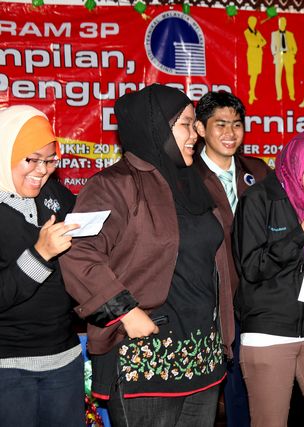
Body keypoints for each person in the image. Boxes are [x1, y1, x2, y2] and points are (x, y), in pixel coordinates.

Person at [60, 84, 227, 426]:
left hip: (202, 355)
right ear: (155, 127)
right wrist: (125, 311)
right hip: (145, 358)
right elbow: (77, 253)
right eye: (186, 124)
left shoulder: (199, 181)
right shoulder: (114, 185)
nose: (197, 133)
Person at [233, 128, 304, 426]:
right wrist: (299, 235)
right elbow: (252, 267)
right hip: (269, 334)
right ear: (299, 158)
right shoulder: (258, 199)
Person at [0, 105, 84, 427]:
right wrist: (39, 254)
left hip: (64, 356)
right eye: (31, 159)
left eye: (50, 160)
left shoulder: (55, 195)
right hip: (8, 365)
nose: (42, 170)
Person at [193, 90, 270, 427]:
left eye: (237, 124)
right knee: (225, 386)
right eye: (220, 124)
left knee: (261, 386)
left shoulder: (258, 171)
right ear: (200, 128)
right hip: (213, 298)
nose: (230, 133)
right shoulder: (187, 176)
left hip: (260, 298)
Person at [271, 17, 297, 102]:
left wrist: (292, 53)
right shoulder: (274, 34)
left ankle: (291, 95)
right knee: (278, 77)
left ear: (285, 24)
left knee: (290, 76)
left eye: (283, 23)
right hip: (279, 57)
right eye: (280, 23)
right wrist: (275, 54)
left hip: (288, 56)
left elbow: (295, 47)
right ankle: (279, 95)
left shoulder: (290, 34)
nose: (281, 24)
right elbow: (272, 46)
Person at [244, 16, 267, 105]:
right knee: (252, 74)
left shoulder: (257, 32)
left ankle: (252, 92)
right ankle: (251, 93)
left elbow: (264, 41)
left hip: (258, 55)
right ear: (249, 22)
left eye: (254, 22)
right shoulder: (247, 32)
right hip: (252, 55)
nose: (253, 24)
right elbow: (252, 43)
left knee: (255, 74)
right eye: (252, 22)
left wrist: (258, 44)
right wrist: (258, 43)